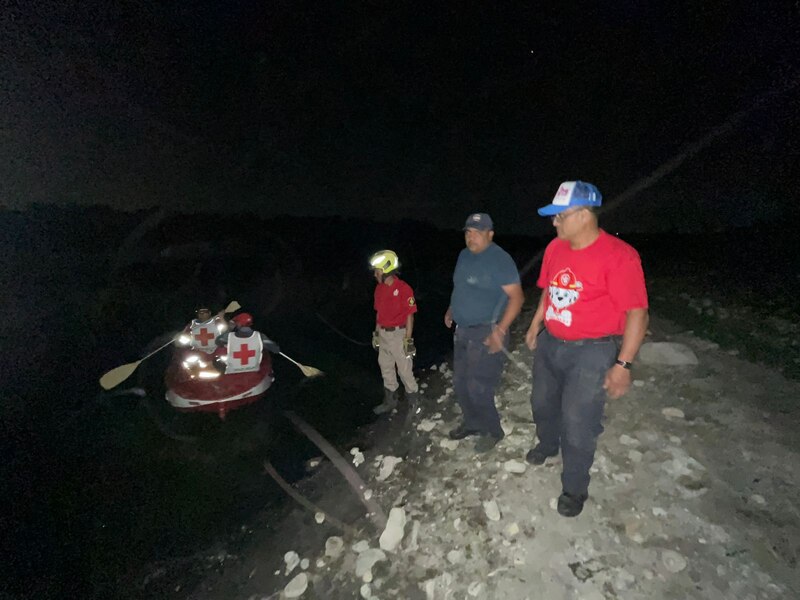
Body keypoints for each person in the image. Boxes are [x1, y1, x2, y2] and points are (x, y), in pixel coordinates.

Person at [525, 181, 649, 517]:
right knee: (542, 402)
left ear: (583, 216)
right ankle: (548, 444)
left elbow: (637, 312)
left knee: (578, 421)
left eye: (560, 216)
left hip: (592, 351)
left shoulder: (619, 256)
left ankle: (574, 488)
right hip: (552, 342)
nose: (555, 223)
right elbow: (549, 291)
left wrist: (623, 365)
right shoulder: (555, 249)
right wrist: (537, 323)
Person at [444, 213, 524, 452]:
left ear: (490, 234)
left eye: (477, 233)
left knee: (479, 386)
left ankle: (493, 430)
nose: (471, 237)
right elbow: (460, 286)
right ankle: (472, 423)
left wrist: (500, 331)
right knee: (460, 383)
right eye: (468, 232)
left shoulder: (500, 259)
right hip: (463, 330)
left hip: (487, 330)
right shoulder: (463, 255)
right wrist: (451, 308)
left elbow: (517, 298)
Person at [368, 250, 420, 415]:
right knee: (386, 367)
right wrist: (376, 334)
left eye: (377, 271)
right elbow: (379, 314)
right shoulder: (379, 289)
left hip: (399, 334)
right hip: (383, 333)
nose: (375, 274)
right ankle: (391, 400)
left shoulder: (404, 289)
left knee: (404, 370)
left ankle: (414, 402)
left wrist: (408, 340)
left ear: (386, 270)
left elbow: (410, 315)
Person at [215, 312, 281, 374]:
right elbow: (276, 349)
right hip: (252, 371)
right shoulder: (260, 336)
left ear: (239, 324)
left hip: (233, 371)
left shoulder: (229, 336)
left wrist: (228, 329)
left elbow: (218, 342)